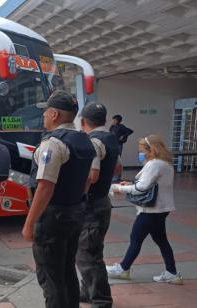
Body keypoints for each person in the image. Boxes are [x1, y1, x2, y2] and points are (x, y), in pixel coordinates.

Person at [23, 90, 96, 308]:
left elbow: (45, 187)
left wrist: (29, 224)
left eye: (46, 112)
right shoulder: (85, 140)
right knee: (66, 270)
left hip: (53, 217)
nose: (44, 115)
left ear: (54, 114)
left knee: (50, 277)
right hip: (75, 212)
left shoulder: (53, 143)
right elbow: (88, 179)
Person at [107, 135, 182, 284]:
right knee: (161, 240)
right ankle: (172, 272)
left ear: (151, 149)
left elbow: (141, 188)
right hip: (162, 208)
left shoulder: (154, 164)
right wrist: (129, 184)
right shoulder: (165, 164)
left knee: (136, 238)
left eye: (142, 150)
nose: (141, 153)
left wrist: (118, 188)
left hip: (151, 210)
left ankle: (123, 269)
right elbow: (150, 184)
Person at [77, 103, 120, 308]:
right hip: (103, 202)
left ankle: (101, 300)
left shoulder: (93, 141)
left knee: (88, 255)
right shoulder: (111, 139)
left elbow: (92, 176)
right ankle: (86, 292)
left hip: (91, 204)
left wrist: (79, 194)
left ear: (83, 120)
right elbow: (117, 166)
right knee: (91, 250)